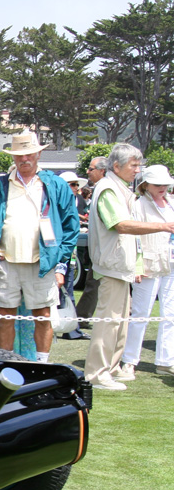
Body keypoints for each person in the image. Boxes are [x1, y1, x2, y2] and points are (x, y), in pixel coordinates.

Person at [0, 133, 80, 362]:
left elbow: (71, 226)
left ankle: (42, 363)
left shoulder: (55, 185)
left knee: (43, 315)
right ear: (14, 157)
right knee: (5, 316)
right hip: (6, 262)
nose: (25, 159)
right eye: (20, 154)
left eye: (29, 153)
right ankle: (5, 363)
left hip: (42, 263)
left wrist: (58, 262)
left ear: (39, 153)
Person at [89, 146, 174, 390]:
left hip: (120, 266)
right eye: (134, 166)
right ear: (117, 167)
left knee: (120, 322)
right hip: (111, 266)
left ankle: (112, 368)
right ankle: (97, 374)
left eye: (139, 165)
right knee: (109, 322)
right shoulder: (107, 189)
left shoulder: (120, 188)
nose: (138, 170)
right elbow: (121, 225)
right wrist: (165, 226)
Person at [119, 165, 174, 377]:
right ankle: (129, 360)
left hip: (170, 263)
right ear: (146, 185)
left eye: (165, 184)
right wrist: (138, 265)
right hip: (149, 263)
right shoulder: (139, 205)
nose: (162, 187)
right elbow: (134, 236)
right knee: (141, 313)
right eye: (157, 184)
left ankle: (165, 360)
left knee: (170, 314)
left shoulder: (171, 203)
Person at [76, 156, 110, 320]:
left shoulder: (105, 189)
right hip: (98, 249)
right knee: (93, 284)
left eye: (91, 169)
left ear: (102, 171)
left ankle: (80, 317)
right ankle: (80, 317)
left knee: (95, 284)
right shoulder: (100, 189)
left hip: (105, 250)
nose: (88, 172)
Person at [57, 171, 90, 340]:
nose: (75, 188)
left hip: (68, 255)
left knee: (67, 291)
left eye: (76, 185)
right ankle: (70, 329)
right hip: (58, 254)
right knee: (64, 292)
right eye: (72, 184)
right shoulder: (56, 203)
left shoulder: (75, 202)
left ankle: (71, 329)